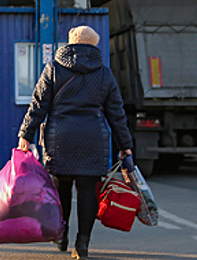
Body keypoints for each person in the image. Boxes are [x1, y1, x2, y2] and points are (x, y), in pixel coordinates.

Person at [16, 25, 133, 260]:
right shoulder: (104, 73)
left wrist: (25, 135)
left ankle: (62, 232)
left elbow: (38, 104)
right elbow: (116, 114)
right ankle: (83, 243)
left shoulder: (53, 69)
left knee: (62, 187)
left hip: (61, 136)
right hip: (93, 136)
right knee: (88, 190)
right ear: (94, 45)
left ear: (70, 43)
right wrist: (125, 145)